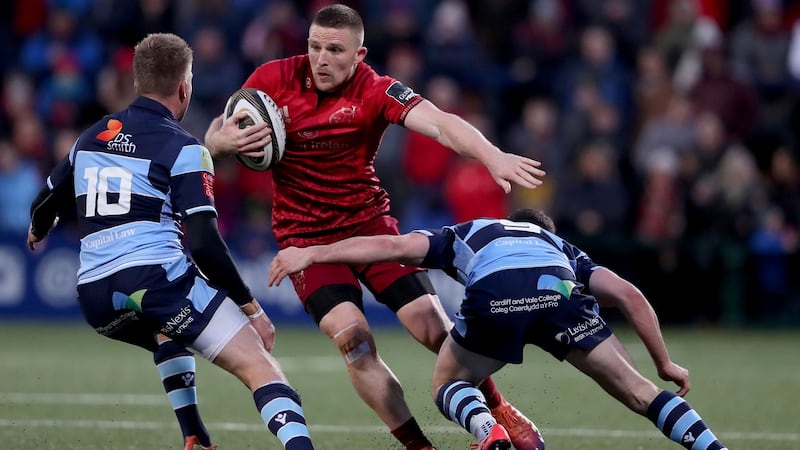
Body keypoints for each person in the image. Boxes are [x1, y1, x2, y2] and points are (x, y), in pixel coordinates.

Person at [204, 4, 546, 450]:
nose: (321, 59)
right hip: (304, 237)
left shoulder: (376, 89)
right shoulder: (272, 79)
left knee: (434, 331)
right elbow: (221, 126)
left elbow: (441, 125)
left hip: (370, 226)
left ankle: (495, 408)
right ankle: (420, 447)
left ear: (359, 54)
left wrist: (492, 155)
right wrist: (217, 142)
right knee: (356, 343)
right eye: (314, 46)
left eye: (334, 50)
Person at [27, 33, 314, 450]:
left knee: (167, 332)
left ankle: (194, 435)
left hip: (95, 297)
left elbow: (44, 202)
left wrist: (39, 228)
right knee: (260, 367)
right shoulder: (184, 148)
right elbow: (204, 243)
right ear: (185, 86)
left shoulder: (88, 138)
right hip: (155, 281)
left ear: (137, 81)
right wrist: (251, 308)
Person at [268, 208, 729, 450]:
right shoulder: (560, 245)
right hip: (559, 293)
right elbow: (629, 294)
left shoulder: (469, 231)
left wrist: (313, 253)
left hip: (497, 290)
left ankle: (489, 431)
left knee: (448, 382)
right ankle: (711, 446)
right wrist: (664, 362)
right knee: (640, 392)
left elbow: (390, 245)